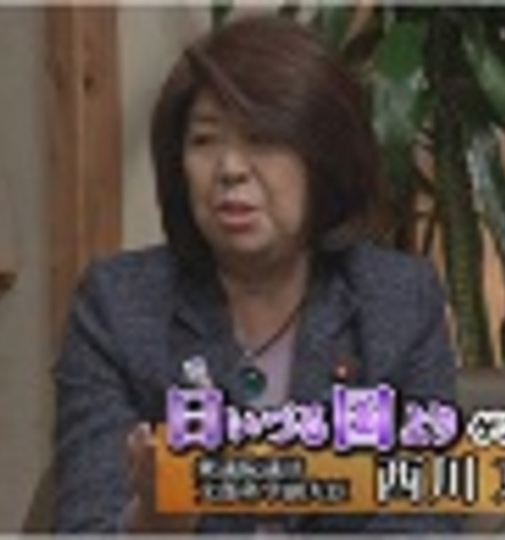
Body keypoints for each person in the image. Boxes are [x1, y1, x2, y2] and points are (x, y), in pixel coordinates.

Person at [54, 15, 460, 533]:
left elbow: (428, 522)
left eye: (263, 139)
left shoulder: (399, 301)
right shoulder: (117, 306)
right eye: (205, 140)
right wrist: (155, 522)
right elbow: (85, 523)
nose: (230, 169)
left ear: (324, 158)